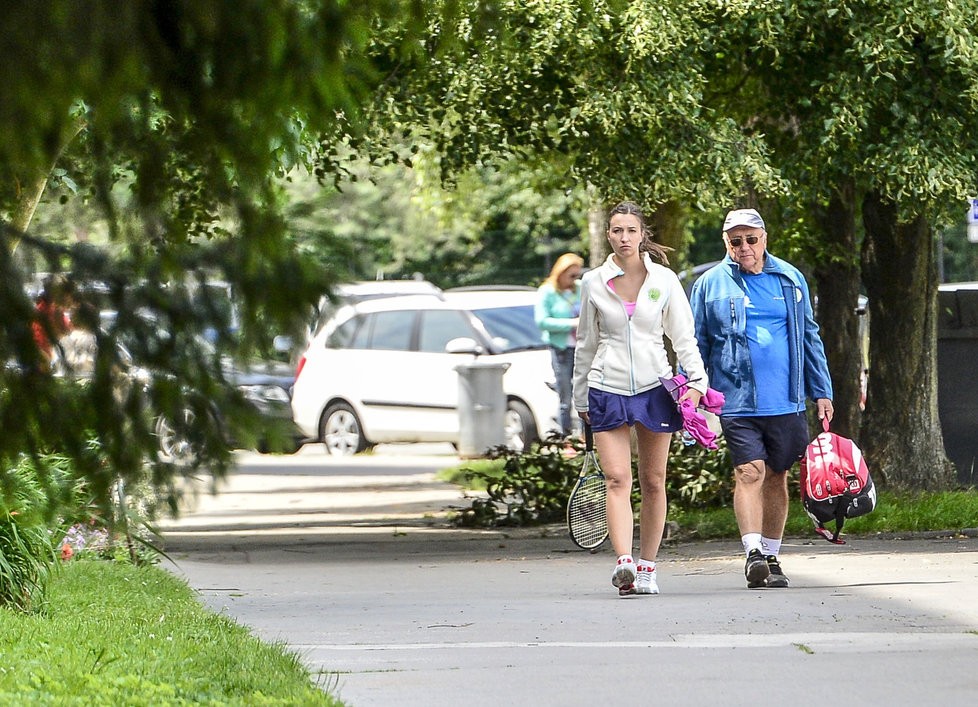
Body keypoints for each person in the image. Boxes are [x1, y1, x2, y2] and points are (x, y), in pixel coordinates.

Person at [689, 208, 834, 589]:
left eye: (751, 239)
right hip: (735, 399)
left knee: (777, 475)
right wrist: (695, 393)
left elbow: (809, 336)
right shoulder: (709, 284)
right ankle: (752, 551)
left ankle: (771, 555)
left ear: (764, 238)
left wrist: (821, 390)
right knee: (749, 471)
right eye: (735, 241)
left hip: (785, 400)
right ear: (726, 244)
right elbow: (697, 343)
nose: (744, 247)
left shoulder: (789, 278)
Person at [573, 201, 708, 596]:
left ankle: (648, 566)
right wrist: (579, 395)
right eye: (616, 230)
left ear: (641, 234)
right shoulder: (594, 282)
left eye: (631, 230)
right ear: (609, 235)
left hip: (654, 387)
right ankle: (624, 564)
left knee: (653, 480)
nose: (624, 238)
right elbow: (585, 343)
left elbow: (683, 337)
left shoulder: (664, 280)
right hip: (606, 386)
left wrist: (697, 381)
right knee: (617, 479)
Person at [535, 253, 584, 437]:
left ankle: (584, 436)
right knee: (565, 397)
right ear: (561, 272)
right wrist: (572, 324)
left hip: (581, 348)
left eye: (577, 275)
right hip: (561, 348)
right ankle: (565, 436)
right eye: (571, 275)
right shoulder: (547, 292)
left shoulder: (579, 289)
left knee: (583, 394)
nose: (574, 280)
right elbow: (542, 321)